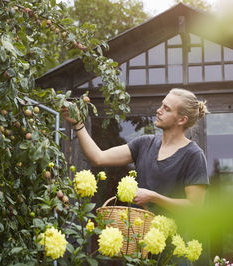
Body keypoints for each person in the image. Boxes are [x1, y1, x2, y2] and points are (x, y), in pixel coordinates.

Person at [61, 88, 209, 215]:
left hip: (173, 244)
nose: (159, 110)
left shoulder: (193, 155)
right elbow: (98, 157)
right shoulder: (144, 144)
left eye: (167, 108)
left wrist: (153, 197)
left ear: (182, 120)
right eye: (161, 105)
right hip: (137, 239)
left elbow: (195, 208)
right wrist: (78, 123)